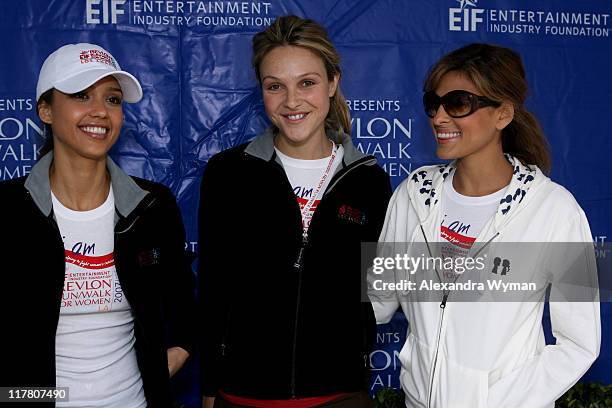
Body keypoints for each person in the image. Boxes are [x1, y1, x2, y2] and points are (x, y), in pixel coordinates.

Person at [368, 43, 600, 407]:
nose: (439, 117)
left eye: (458, 103)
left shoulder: (556, 211)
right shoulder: (413, 195)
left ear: (503, 114)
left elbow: (580, 343)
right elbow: (378, 301)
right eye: (434, 103)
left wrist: (496, 399)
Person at [198, 15, 392, 408]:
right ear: (262, 92)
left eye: (307, 82)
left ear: (333, 82)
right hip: (242, 396)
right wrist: (208, 390)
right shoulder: (227, 173)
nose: (292, 101)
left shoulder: (368, 180)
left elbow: (378, 291)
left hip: (341, 396)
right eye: (275, 86)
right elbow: (213, 291)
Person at [0, 43, 195, 407]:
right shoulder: (7, 211)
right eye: (81, 95)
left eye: (113, 99)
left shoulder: (152, 206)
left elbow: (184, 305)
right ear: (45, 109)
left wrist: (172, 354)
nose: (100, 112)